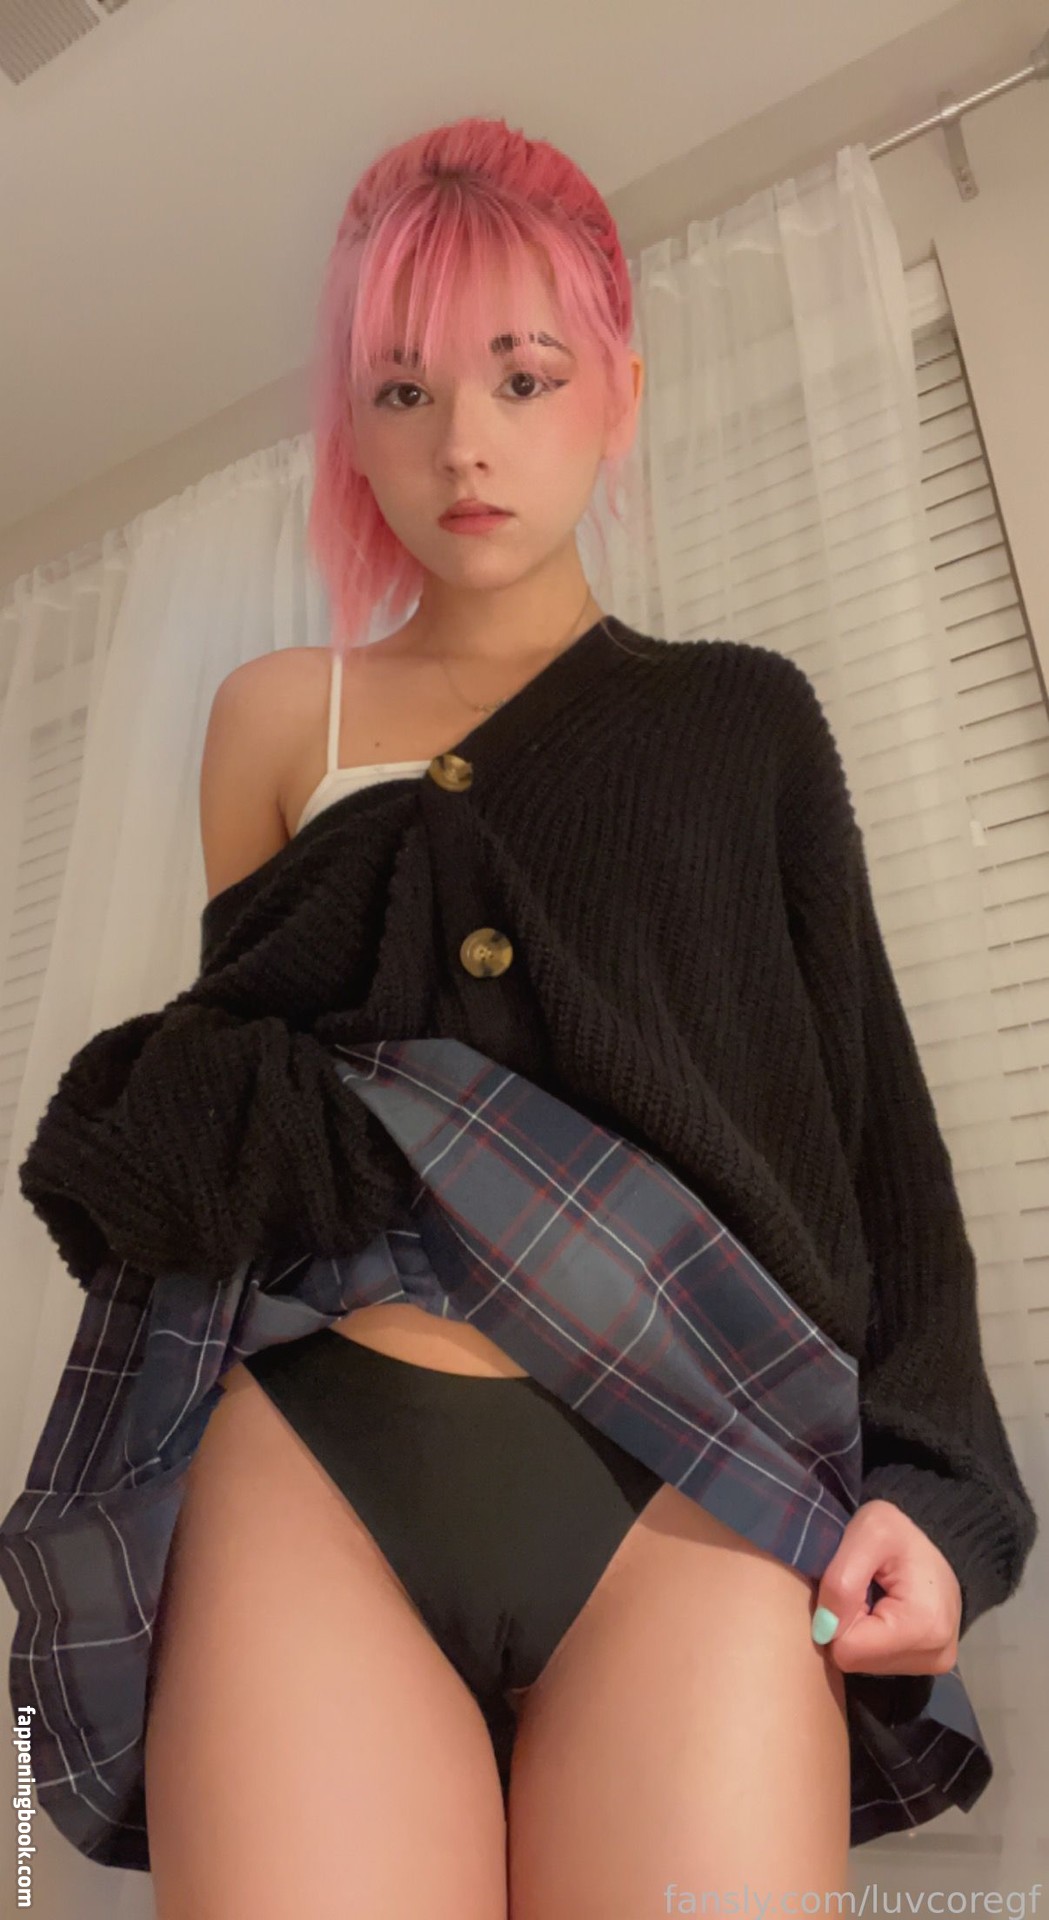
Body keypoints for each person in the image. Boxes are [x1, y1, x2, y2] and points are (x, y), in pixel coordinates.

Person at [3, 114, 1036, 1919]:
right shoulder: (278, 719)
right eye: (401, 392)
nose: (462, 442)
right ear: (354, 431)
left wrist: (940, 1496)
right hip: (319, 1462)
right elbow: (236, 1116)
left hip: (697, 1468)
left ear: (615, 394)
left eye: (523, 376)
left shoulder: (740, 721)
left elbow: (873, 1134)